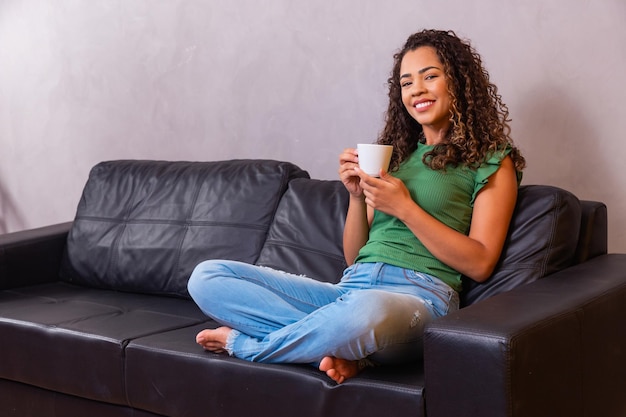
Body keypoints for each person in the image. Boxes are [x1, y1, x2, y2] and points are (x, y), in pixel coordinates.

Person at [187, 29, 526, 384]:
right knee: (208, 277)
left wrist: (405, 207)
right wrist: (355, 194)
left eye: (430, 76)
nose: (417, 90)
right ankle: (348, 350)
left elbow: (481, 262)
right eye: (406, 83)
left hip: (419, 297)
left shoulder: (490, 160)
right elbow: (354, 258)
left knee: (365, 313)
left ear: (458, 81)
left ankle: (250, 346)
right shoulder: (393, 158)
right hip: (351, 289)